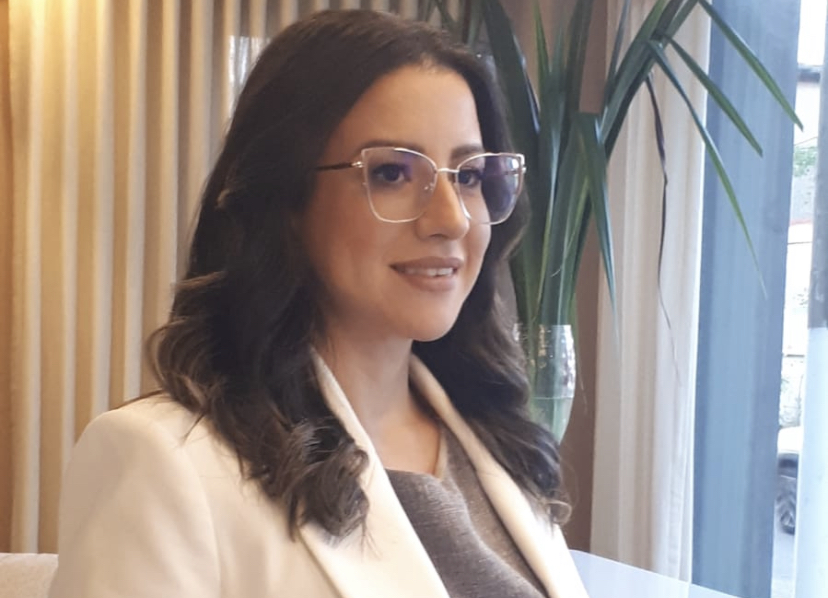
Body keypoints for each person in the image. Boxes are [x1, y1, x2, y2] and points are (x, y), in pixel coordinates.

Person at [49, 9, 588, 598]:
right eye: (391, 173)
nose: (451, 219)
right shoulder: (164, 463)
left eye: (468, 175)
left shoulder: (501, 440)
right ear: (285, 198)